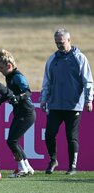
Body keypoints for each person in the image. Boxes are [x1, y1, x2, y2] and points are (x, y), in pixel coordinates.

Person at [40, 28, 93, 175]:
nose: (59, 45)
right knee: (49, 134)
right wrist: (43, 99)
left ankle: (72, 166)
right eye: (56, 42)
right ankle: (53, 160)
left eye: (61, 42)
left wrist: (89, 99)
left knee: (71, 137)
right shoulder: (52, 59)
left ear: (69, 40)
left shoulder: (79, 58)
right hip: (55, 104)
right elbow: (47, 82)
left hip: (73, 106)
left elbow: (88, 81)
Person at [0, 49, 36, 178]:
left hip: (26, 113)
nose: (0, 70)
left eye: (1, 67)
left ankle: (21, 168)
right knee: (13, 141)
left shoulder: (17, 76)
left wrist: (17, 98)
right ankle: (27, 167)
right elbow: (8, 93)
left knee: (12, 141)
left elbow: (28, 92)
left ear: (9, 66)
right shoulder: (9, 77)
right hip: (21, 113)